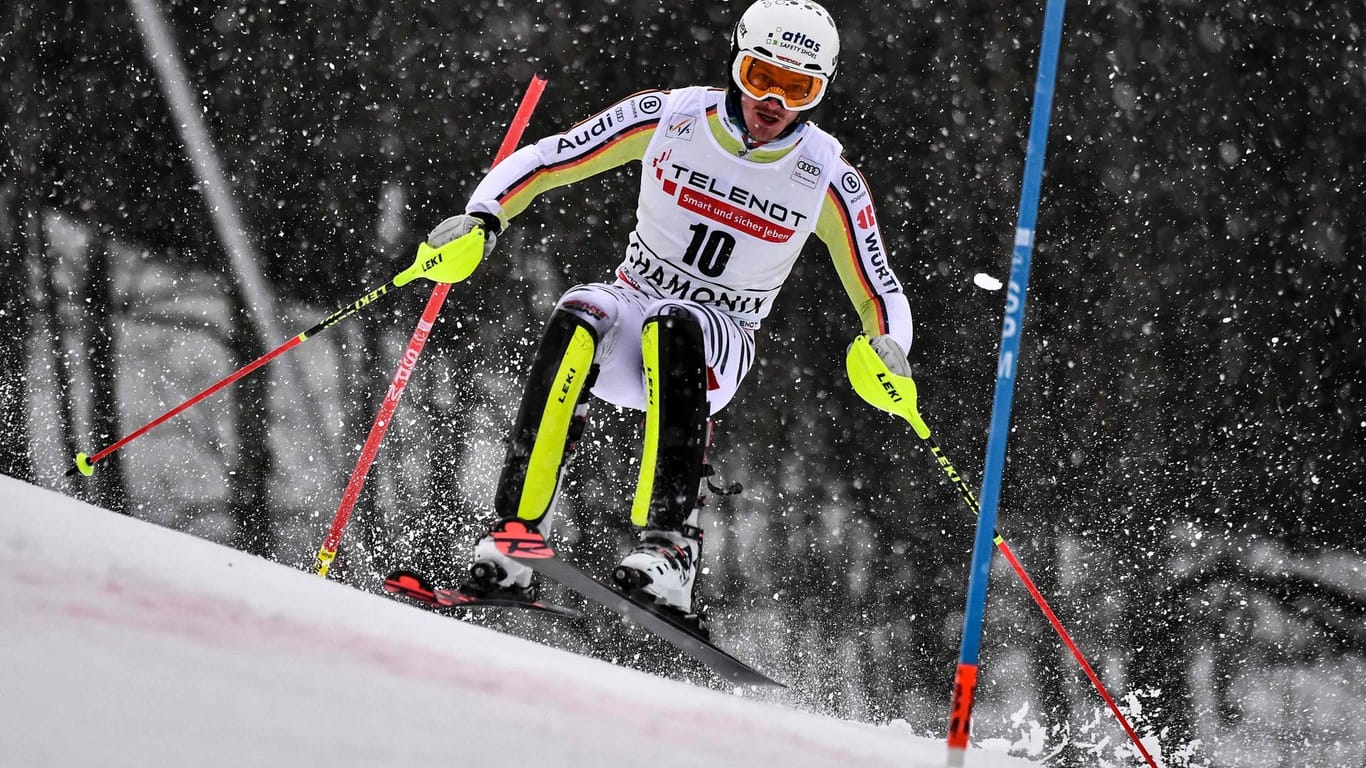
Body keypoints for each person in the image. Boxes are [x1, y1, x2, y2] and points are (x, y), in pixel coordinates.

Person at [425, 0, 913, 628]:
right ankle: (517, 536)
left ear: (820, 89)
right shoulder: (673, 115)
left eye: (799, 88)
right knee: (581, 308)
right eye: (762, 77)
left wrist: (890, 346)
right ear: (736, 64)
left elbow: (878, 285)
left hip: (720, 340)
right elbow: (552, 157)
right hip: (633, 304)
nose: (775, 102)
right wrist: (484, 216)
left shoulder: (826, 174)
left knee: (675, 322)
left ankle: (670, 548)